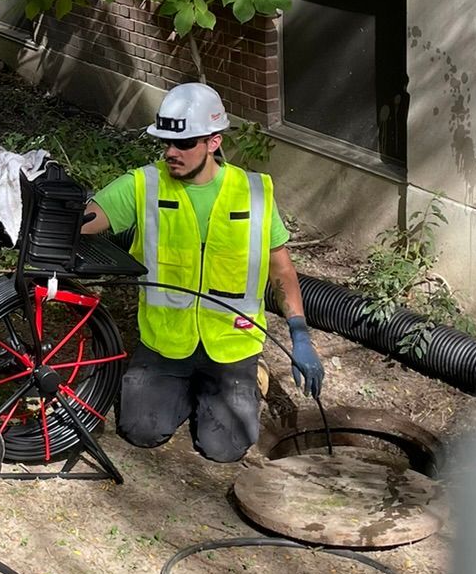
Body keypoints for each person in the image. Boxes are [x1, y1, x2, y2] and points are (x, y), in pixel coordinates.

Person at [80, 81, 325, 462]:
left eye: (183, 144)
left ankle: (246, 380)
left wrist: (299, 335)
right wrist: (42, 213)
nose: (170, 152)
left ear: (213, 142)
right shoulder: (144, 185)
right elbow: (87, 219)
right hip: (165, 344)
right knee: (139, 430)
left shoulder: (255, 193)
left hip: (231, 347)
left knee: (224, 448)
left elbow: (282, 270)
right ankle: (181, 392)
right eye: (166, 143)